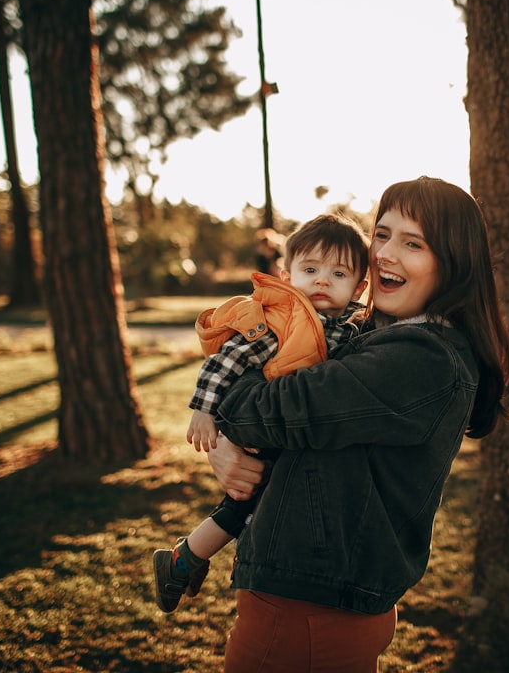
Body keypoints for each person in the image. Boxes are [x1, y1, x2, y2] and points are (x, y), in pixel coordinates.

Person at [206, 176, 509, 672]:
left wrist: (226, 418)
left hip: (311, 610)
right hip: (315, 598)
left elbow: (274, 410)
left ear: (453, 263)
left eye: (413, 243)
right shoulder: (370, 334)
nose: (385, 253)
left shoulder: (421, 358)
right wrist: (223, 444)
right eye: (383, 234)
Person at [153, 213, 370, 614]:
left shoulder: (354, 326)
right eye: (310, 269)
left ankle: (182, 561)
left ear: (359, 287)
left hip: (296, 433)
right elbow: (227, 360)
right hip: (268, 429)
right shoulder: (282, 323)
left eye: (338, 273)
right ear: (287, 277)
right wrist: (204, 411)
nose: (322, 280)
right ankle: (180, 561)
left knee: (250, 504)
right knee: (244, 502)